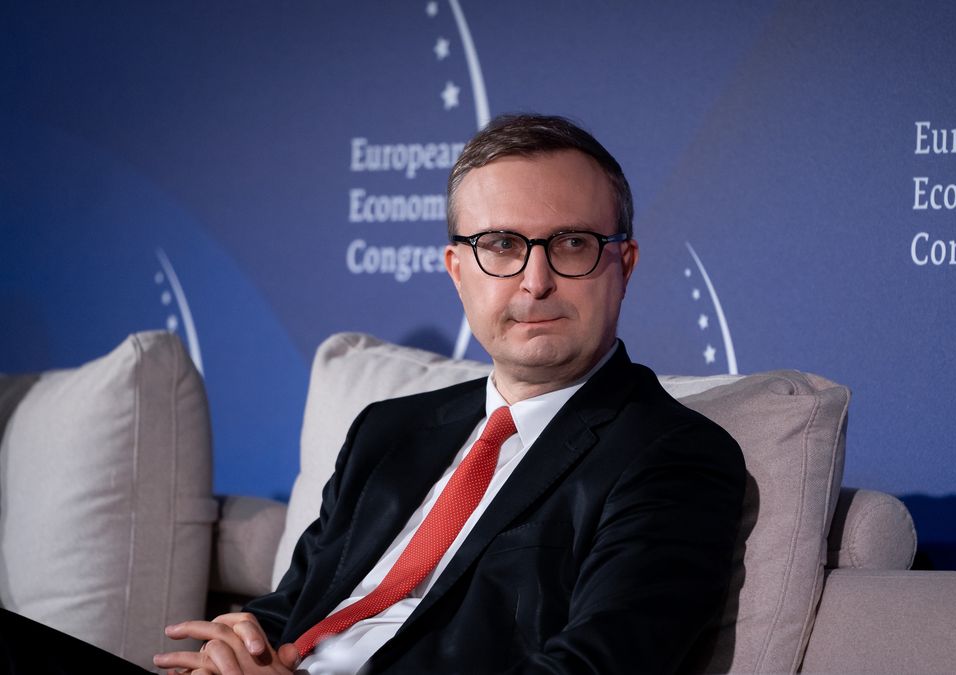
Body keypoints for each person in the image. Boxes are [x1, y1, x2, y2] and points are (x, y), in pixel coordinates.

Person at [153, 114, 747, 674]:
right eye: (502, 246)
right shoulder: (386, 432)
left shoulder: (675, 456)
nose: (535, 282)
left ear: (624, 265)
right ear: (457, 269)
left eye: (572, 245)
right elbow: (299, 606)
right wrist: (238, 644)